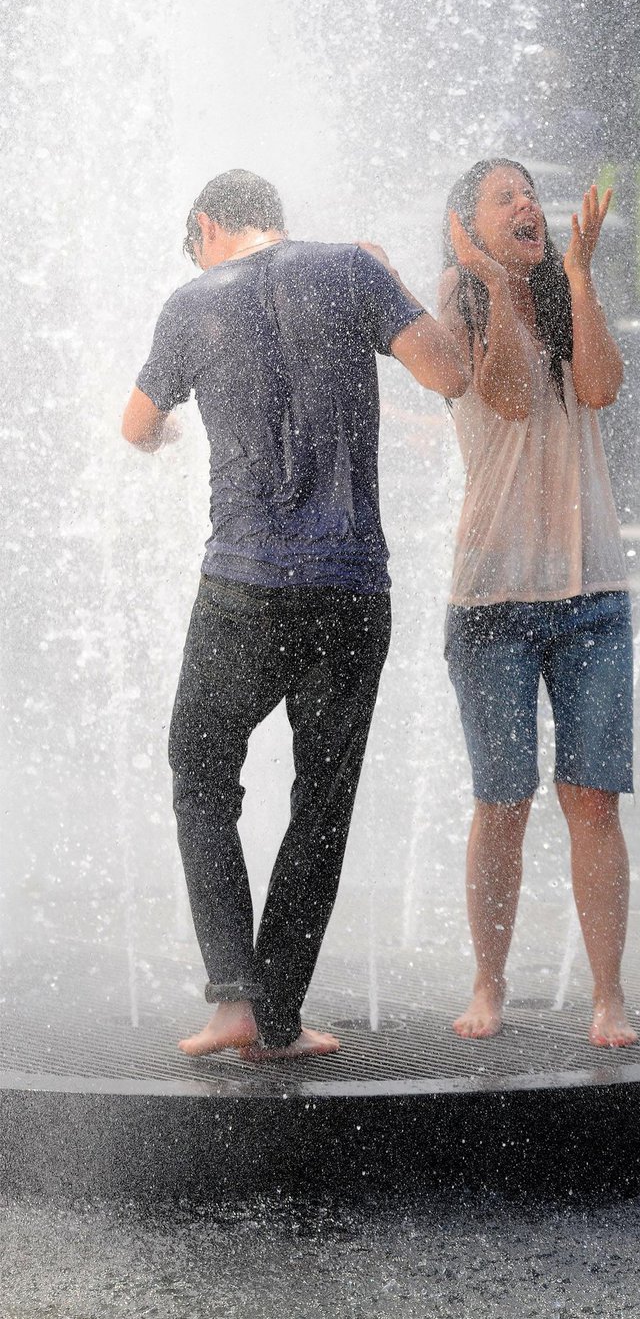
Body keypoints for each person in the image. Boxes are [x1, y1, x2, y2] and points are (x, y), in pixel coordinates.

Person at [121, 169, 468, 1061]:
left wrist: (165, 433)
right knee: (323, 798)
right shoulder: (353, 269)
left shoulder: (191, 300)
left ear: (207, 227)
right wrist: (391, 287)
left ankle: (232, 997)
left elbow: (135, 425)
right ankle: (277, 1017)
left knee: (199, 773)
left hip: (242, 586)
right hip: (352, 586)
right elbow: (450, 374)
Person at [439, 158, 638, 1048]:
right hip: (492, 604)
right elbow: (510, 395)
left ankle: (607, 997)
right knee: (503, 800)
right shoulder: (460, 305)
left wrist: (580, 277)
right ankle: (489, 983)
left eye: (528, 194)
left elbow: (597, 386)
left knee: (593, 800)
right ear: (467, 228)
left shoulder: (569, 292)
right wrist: (493, 283)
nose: (526, 204)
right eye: (501, 198)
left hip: (592, 592)